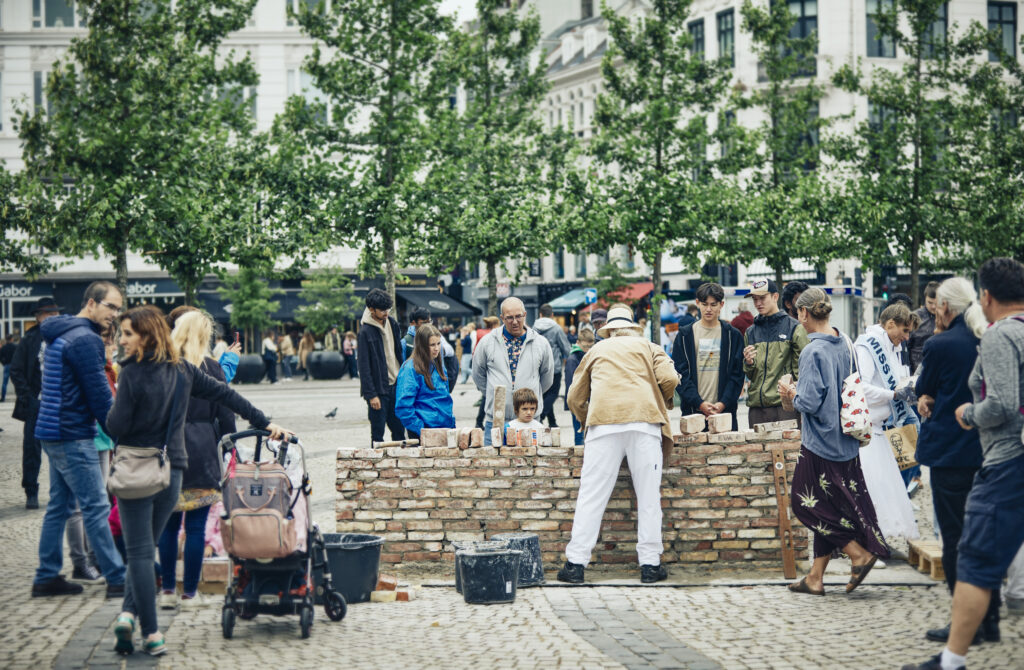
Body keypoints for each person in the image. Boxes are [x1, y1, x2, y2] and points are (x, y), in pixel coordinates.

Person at [107, 305, 289, 657]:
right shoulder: (183, 370)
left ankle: (150, 630)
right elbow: (227, 397)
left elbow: (116, 426)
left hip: (137, 468)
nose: (122, 339)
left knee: (141, 551)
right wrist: (265, 423)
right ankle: (130, 616)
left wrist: (111, 396)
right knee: (146, 550)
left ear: (146, 335)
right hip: (173, 469)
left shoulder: (130, 373)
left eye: (127, 333)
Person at [903, 258, 1024, 670]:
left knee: (968, 549)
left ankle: (954, 655)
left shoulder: (995, 336)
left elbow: (1002, 404)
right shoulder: (995, 334)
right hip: (991, 457)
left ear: (987, 297)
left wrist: (969, 414)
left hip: (996, 456)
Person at [778, 288, 890, 596]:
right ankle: (815, 577)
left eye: (797, 314)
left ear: (803, 313)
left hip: (820, 444)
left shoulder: (813, 352)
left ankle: (858, 553)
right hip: (847, 440)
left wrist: (790, 392)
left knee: (805, 503)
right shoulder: (845, 342)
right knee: (828, 505)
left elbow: (810, 402)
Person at [560, 306, 678, 584]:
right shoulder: (650, 347)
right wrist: (662, 400)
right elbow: (670, 379)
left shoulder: (596, 351)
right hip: (645, 423)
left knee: (591, 496)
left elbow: (574, 397)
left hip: (604, 425)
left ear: (609, 330)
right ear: (633, 328)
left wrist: (584, 418)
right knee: (649, 498)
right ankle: (650, 565)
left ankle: (576, 564)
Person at [915, 278, 998, 646]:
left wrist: (928, 399)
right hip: (989, 451)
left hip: (950, 453)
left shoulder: (941, 344)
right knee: (983, 536)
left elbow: (923, 388)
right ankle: (989, 621)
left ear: (944, 307)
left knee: (955, 539)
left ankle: (966, 624)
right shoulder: (989, 337)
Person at [31, 282, 126, 599]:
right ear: (91, 303)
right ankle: (117, 577)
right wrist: (121, 436)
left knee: (60, 506)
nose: (114, 314)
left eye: (117, 309)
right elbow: (100, 397)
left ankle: (46, 577)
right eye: (110, 307)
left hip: (53, 430)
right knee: (96, 506)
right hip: (71, 433)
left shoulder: (63, 331)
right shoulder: (86, 339)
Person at [157, 311, 238, 611]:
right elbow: (226, 411)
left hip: (167, 449)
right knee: (195, 527)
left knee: (167, 525)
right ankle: (189, 592)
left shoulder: (163, 367)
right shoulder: (212, 368)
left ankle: (167, 589)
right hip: (203, 450)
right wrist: (231, 447)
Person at [854, 303, 921, 543]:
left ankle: (877, 540)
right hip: (867, 432)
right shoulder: (868, 345)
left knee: (887, 488)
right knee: (873, 490)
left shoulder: (892, 346)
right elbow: (860, 387)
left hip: (884, 427)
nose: (906, 337)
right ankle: (866, 542)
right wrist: (894, 395)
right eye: (904, 331)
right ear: (890, 323)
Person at [472, 297, 554, 446]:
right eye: (509, 318)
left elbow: (547, 378)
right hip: (496, 420)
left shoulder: (540, 343)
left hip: (530, 421)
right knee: (494, 466)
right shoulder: (487, 342)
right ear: (502, 318)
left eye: (518, 316)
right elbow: (478, 375)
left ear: (525, 314)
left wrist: (532, 394)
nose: (515, 321)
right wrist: (493, 392)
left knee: (529, 466)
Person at [11, 297, 63, 509]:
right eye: (49, 314)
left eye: (55, 314)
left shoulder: (64, 337)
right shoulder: (29, 339)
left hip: (60, 403)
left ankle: (61, 491)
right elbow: (16, 370)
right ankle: (31, 491)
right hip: (36, 403)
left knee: (62, 448)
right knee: (32, 451)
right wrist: (28, 397)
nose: (53, 317)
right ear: (39, 317)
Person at [671, 283, 745, 431]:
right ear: (697, 303)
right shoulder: (685, 335)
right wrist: (699, 403)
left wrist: (723, 403)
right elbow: (680, 375)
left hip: (725, 413)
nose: (709, 309)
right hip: (693, 414)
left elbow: (737, 375)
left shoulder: (733, 335)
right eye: (704, 304)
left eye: (713, 304)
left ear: (721, 304)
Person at [743, 279, 808, 427]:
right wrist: (748, 363)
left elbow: (803, 370)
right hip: (756, 409)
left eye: (762, 298)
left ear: (775, 297)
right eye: (755, 299)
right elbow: (751, 375)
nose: (758, 303)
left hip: (785, 407)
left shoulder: (794, 328)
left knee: (789, 451)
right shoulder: (750, 332)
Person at [358, 289, 405, 443]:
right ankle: (377, 466)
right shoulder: (365, 331)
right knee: (378, 434)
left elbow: (398, 352)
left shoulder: (392, 323)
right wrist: (371, 395)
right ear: (372, 309)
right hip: (379, 390)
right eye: (383, 310)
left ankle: (399, 464)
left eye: (388, 309)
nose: (386, 313)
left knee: (399, 430)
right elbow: (363, 367)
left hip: (397, 385)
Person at [394, 324, 455, 439]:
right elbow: (403, 407)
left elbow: (445, 397)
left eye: (438, 343)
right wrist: (421, 429)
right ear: (421, 345)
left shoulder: (439, 365)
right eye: (432, 345)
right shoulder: (410, 369)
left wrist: (451, 424)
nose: (436, 348)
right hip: (423, 432)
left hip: (445, 428)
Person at [533, 304, 571, 429]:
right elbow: (566, 348)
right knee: (553, 393)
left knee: (544, 394)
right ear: (552, 315)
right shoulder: (556, 329)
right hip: (554, 366)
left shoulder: (534, 328)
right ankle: (541, 416)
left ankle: (552, 422)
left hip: (538, 366)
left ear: (540, 314)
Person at [402, 307, 458, 392]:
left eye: (430, 321)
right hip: (417, 391)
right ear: (414, 323)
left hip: (436, 390)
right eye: (424, 322)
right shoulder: (405, 342)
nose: (436, 348)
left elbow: (442, 366)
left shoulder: (436, 336)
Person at [564, 328, 595, 446]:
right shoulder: (573, 359)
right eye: (585, 347)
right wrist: (571, 403)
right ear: (578, 342)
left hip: (588, 400)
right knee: (579, 434)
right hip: (578, 402)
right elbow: (570, 384)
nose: (588, 350)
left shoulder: (589, 356)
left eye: (590, 347)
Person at [473, 316, 501, 429]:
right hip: (491, 369)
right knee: (488, 397)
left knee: (486, 397)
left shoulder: (479, 333)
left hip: (482, 368)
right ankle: (480, 421)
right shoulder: (493, 336)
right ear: (495, 325)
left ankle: (479, 421)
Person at [909, 281, 940, 371]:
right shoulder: (915, 317)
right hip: (917, 370)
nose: (933, 306)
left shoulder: (948, 317)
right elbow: (907, 346)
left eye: (936, 303)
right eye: (930, 303)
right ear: (925, 299)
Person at [0, 332, 17, 401]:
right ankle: (19, 397)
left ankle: (3, 397)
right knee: (16, 382)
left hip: (7, 365)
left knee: (4, 382)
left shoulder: (3, 348)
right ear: (12, 339)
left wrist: (4, 363)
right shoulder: (15, 347)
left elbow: (0, 357)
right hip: (14, 366)